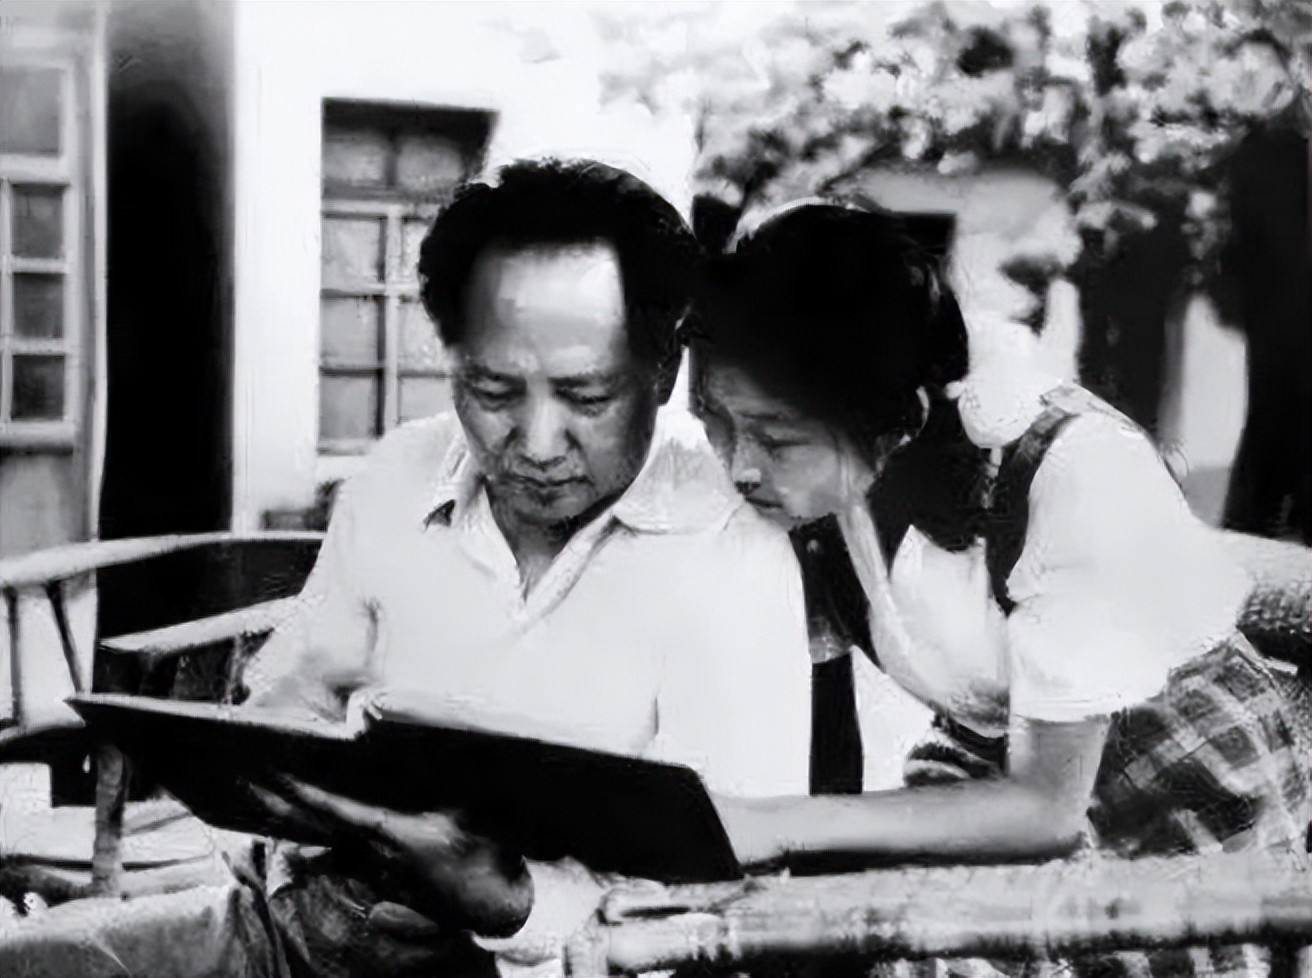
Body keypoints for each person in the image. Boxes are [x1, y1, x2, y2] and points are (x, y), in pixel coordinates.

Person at [0, 160, 812, 978]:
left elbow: (728, 902)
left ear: (663, 370)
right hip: (308, 923)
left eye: (587, 398)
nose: (536, 445)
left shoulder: (731, 545)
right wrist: (285, 784)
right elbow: (295, 695)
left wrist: (511, 903)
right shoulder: (400, 476)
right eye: (493, 391)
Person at [684, 200, 1311, 977]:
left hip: (1168, 786)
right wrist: (816, 906)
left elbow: (1048, 809)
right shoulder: (816, 494)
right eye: (714, 422)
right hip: (993, 760)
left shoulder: (1074, 472)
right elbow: (832, 730)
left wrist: (778, 823)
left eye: (775, 438)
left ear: (902, 421)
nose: (737, 466)